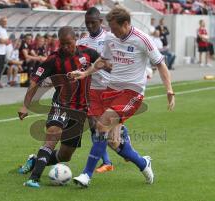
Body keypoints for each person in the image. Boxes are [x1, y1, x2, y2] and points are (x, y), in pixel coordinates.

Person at [71, 7, 175, 187]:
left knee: (101, 125)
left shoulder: (142, 39)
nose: (111, 31)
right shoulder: (111, 38)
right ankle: (144, 163)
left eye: (114, 28)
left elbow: (160, 64)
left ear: (126, 24)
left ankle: (86, 175)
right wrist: (85, 73)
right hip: (111, 90)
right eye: (110, 28)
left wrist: (169, 90)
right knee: (113, 141)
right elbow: (103, 61)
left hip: (132, 93)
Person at [18, 26, 100, 188]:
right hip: (61, 105)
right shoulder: (53, 59)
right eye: (62, 44)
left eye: (68, 43)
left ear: (75, 41)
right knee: (52, 137)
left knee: (65, 155)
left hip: (80, 111)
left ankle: (34, 161)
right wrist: (24, 106)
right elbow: (35, 82)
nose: (65, 47)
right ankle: (34, 179)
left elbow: (105, 62)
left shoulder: (88, 53)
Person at [77, 7, 128, 173]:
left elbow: (117, 65)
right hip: (92, 89)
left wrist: (101, 65)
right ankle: (106, 161)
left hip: (111, 87)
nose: (90, 25)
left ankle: (125, 145)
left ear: (100, 22)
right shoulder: (81, 42)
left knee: (109, 127)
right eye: (87, 23)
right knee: (94, 124)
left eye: (93, 22)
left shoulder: (111, 38)